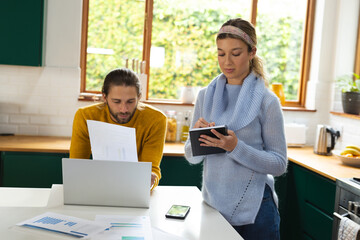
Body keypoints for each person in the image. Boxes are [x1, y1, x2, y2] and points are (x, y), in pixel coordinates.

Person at [184, 18, 287, 239]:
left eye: (236, 53)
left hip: (257, 210)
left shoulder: (267, 102)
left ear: (252, 52)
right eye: (221, 54)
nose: (227, 62)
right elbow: (191, 157)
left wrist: (235, 147)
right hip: (213, 206)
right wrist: (196, 139)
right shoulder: (205, 96)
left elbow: (279, 164)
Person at [70, 68, 167, 190]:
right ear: (104, 97)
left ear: (139, 97)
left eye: (130, 101)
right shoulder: (86, 116)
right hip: (95, 188)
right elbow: (76, 167)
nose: (124, 109)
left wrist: (150, 180)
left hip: (135, 190)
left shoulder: (156, 120)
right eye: (116, 101)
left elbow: (152, 170)